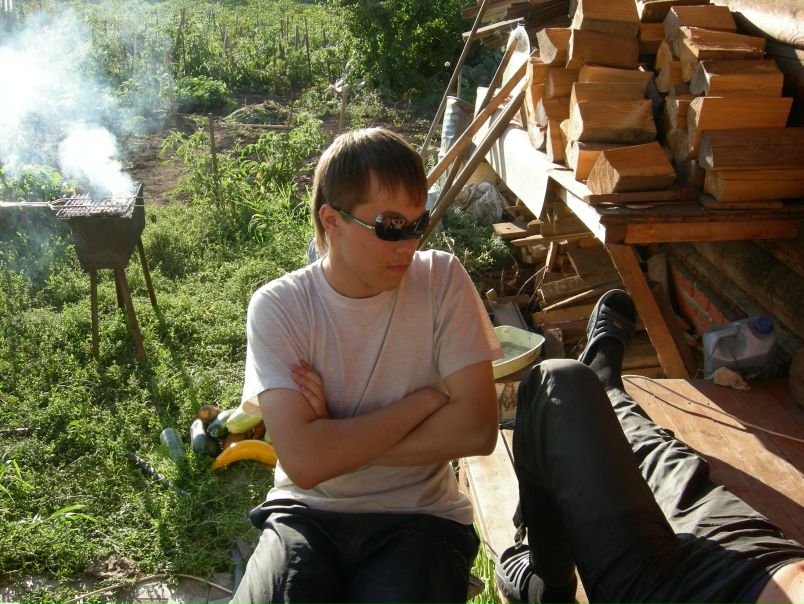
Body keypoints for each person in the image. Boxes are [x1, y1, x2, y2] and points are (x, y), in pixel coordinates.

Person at [232, 127, 503, 604]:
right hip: (304, 514)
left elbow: (478, 430)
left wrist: (333, 435)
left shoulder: (441, 279)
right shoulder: (280, 307)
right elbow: (304, 464)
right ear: (331, 221)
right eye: (390, 226)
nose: (409, 244)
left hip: (419, 518)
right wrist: (424, 403)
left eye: (418, 224)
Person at [495, 289, 804, 604]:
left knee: (555, 383)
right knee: (671, 463)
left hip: (686, 594)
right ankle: (608, 390)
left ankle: (548, 587)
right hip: (771, 562)